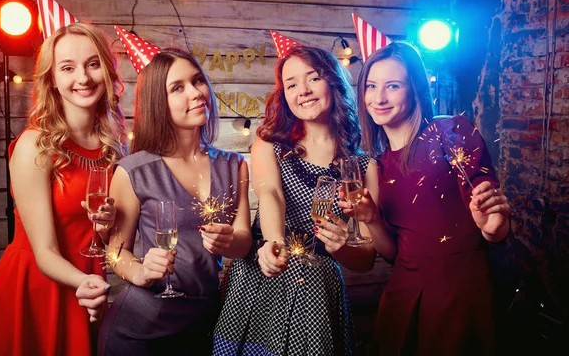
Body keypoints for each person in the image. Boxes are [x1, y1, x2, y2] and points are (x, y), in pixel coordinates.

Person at [340, 41, 511, 355]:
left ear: (415, 89)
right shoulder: (376, 167)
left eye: (393, 86)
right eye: (371, 86)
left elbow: (493, 220)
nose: (379, 98)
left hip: (460, 289)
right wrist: (371, 220)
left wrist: (492, 226)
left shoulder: (451, 130)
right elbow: (392, 253)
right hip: (403, 294)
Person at [0, 22, 128, 355]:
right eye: (68, 68)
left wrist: (105, 228)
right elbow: (44, 252)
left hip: (87, 291)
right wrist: (85, 283)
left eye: (93, 64)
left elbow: (99, 242)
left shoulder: (115, 146)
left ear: (107, 71)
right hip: (31, 292)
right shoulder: (35, 145)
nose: (83, 78)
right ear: (52, 79)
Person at [213, 44, 376, 356]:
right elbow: (271, 194)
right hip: (261, 272)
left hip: (315, 286)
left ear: (333, 81)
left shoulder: (364, 163)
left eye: (313, 78)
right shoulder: (270, 145)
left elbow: (367, 258)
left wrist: (341, 246)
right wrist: (274, 242)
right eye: (291, 84)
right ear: (284, 95)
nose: (303, 90)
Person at [97, 46, 252, 356]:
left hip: (202, 325)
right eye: (177, 88)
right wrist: (140, 271)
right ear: (159, 103)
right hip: (139, 332)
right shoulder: (133, 170)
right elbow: (115, 252)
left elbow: (244, 241)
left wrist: (229, 241)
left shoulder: (235, 165)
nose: (196, 93)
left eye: (197, 81)